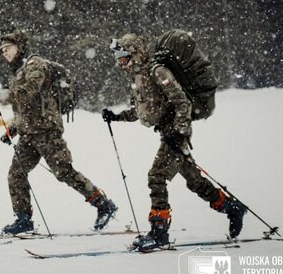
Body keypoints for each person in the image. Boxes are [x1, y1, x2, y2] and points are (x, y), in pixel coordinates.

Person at [102, 33, 246, 251]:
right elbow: (144, 111)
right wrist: (116, 116)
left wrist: (179, 133)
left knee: (156, 176)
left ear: (135, 54)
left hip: (176, 132)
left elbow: (182, 102)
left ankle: (159, 230)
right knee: (194, 180)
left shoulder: (157, 72)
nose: (121, 63)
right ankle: (231, 208)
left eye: (123, 58)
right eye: (119, 60)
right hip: (168, 132)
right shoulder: (139, 78)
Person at [0, 29, 117, 234]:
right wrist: (13, 129)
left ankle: (104, 205)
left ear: (20, 47)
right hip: (29, 135)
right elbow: (26, 107)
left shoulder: (35, 64)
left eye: (8, 48)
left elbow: (29, 92)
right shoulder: (19, 71)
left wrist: (3, 95)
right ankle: (23, 219)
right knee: (16, 175)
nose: (5, 53)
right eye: (2, 51)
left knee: (65, 173)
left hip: (47, 132)